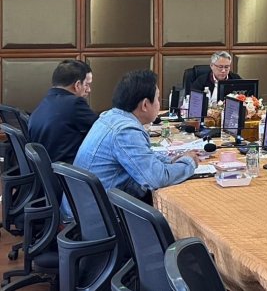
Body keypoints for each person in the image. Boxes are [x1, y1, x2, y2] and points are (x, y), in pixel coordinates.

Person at [75, 69, 198, 201]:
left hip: (85, 204)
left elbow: (143, 156)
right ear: (145, 105)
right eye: (157, 98)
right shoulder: (126, 131)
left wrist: (170, 160)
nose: (159, 104)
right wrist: (189, 162)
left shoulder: (110, 116)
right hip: (99, 210)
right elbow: (157, 179)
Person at [29, 59, 98, 164]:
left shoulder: (45, 103)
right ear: (77, 85)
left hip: (49, 169)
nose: (89, 90)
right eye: (86, 85)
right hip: (70, 170)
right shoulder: (74, 103)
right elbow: (103, 129)